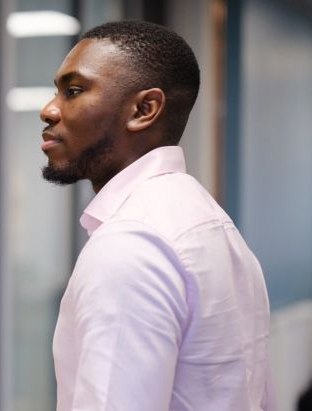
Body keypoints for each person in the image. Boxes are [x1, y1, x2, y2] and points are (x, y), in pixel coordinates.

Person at [40, 21, 275, 410]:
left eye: (73, 91)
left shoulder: (131, 243)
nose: (49, 110)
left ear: (144, 109)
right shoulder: (212, 226)